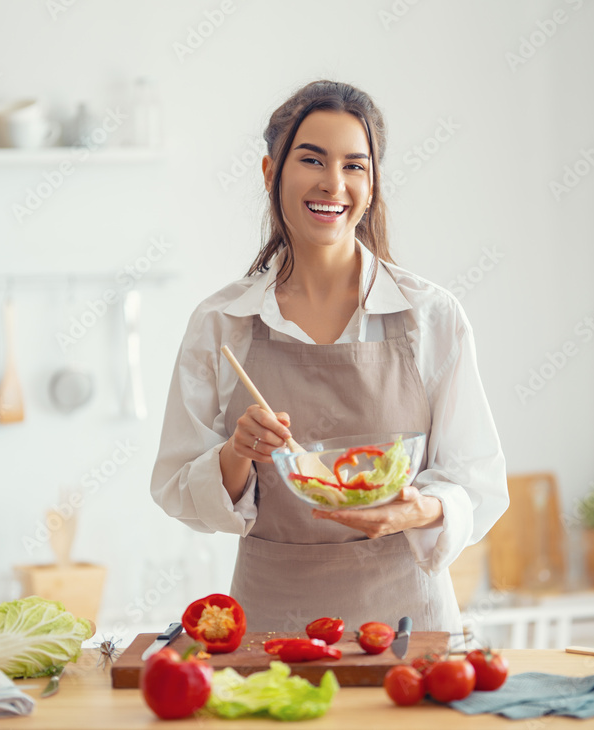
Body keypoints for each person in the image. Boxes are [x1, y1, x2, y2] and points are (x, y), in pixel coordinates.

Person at [150, 80, 507, 634]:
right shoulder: (221, 322)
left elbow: (477, 480)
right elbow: (177, 485)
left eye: (355, 166)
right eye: (312, 159)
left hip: (408, 625)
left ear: (374, 182)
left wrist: (420, 509)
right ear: (271, 173)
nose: (333, 184)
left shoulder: (430, 316)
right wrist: (237, 452)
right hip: (273, 624)